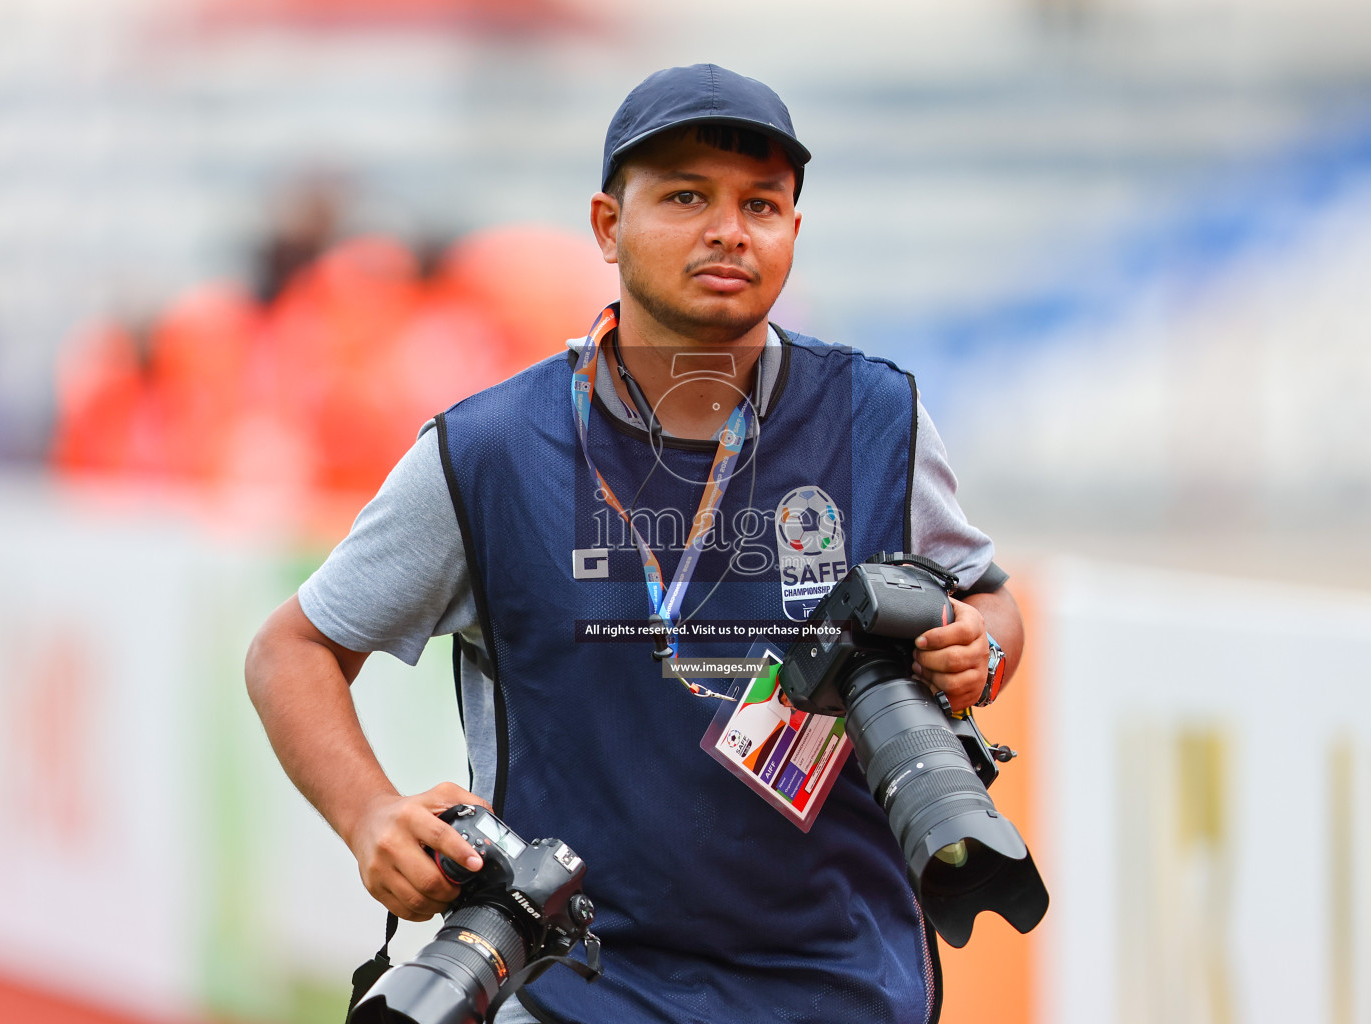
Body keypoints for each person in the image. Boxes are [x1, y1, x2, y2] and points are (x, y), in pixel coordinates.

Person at [245, 64, 1025, 1024]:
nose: (729, 229)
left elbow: (988, 600)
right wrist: (368, 813)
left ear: (792, 232)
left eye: (763, 204)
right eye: (687, 197)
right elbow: (294, 647)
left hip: (845, 988)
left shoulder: (877, 418)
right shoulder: (490, 449)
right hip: (581, 991)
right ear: (608, 227)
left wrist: (976, 646)